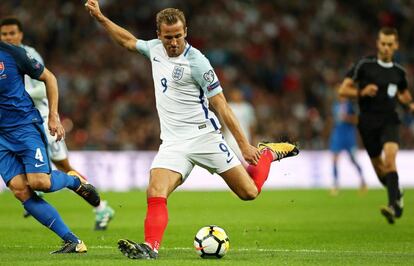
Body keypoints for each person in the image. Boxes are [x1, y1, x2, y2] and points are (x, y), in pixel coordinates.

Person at [85, 1, 299, 259]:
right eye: (168, 37)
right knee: (155, 190)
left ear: (186, 31)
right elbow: (128, 41)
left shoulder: (198, 62)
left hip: (204, 137)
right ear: (158, 35)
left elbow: (221, 106)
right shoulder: (154, 49)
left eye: (178, 36)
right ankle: (150, 248)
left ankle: (266, 153)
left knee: (249, 193)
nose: (173, 42)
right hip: (173, 143)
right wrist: (100, 17)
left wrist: (244, 144)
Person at [0, 17, 115, 230]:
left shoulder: (28, 54)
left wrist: (17, 95)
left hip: (40, 118)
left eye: (12, 33)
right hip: (16, 123)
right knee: (43, 171)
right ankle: (37, 190)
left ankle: (101, 206)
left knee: (63, 166)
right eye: (4, 34)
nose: (8, 37)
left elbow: (44, 85)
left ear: (21, 34)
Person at [339, 27, 414, 224]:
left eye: (390, 44)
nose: (386, 48)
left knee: (390, 161)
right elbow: (343, 90)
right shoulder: (364, 65)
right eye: (383, 43)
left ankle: (392, 205)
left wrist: (410, 104)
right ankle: (397, 193)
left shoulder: (399, 73)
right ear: (378, 43)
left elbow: (404, 94)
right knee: (381, 171)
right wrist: (361, 92)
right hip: (367, 123)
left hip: (390, 121)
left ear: (396, 45)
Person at [329, 92, 366, 196]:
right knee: (334, 160)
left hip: (349, 137)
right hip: (338, 136)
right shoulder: (335, 105)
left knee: (353, 160)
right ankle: (335, 185)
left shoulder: (351, 106)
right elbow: (335, 121)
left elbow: (357, 119)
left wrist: (347, 118)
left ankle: (363, 181)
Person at [222, 88, 257, 166]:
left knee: (246, 162)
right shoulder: (228, 106)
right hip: (230, 138)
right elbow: (223, 125)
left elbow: (251, 125)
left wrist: (252, 139)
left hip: (245, 137)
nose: (237, 96)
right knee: (232, 161)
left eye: (239, 94)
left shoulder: (247, 107)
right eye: (235, 94)